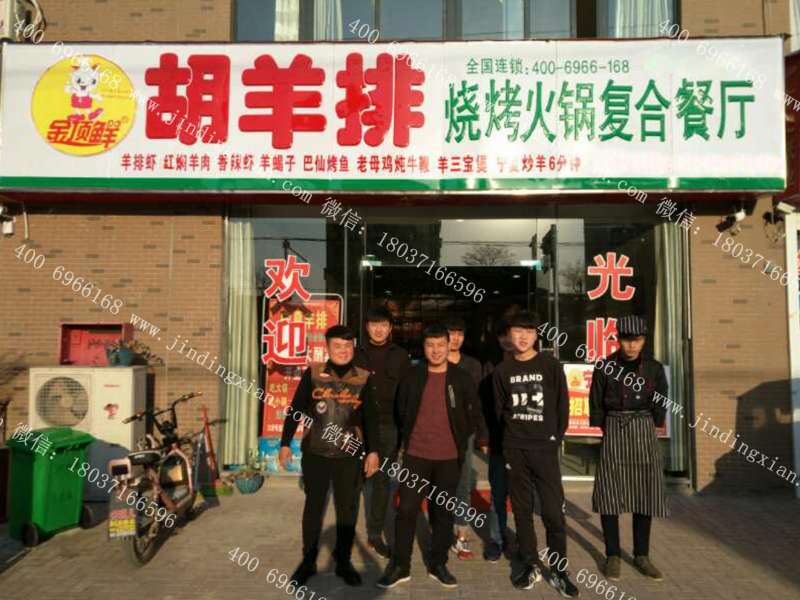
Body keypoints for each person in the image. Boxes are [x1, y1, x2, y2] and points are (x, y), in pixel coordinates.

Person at [376, 323, 489, 589]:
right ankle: (400, 565)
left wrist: (476, 438)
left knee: (443, 512)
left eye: (441, 345)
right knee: (406, 510)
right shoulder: (412, 377)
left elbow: (474, 411)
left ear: (449, 345)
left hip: (449, 457)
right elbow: (400, 411)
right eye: (430, 345)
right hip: (416, 455)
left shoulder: (461, 378)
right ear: (424, 347)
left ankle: (438, 563)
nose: (436, 350)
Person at [279, 325, 380, 587]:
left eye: (348, 346)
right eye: (337, 346)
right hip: (316, 452)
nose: (343, 350)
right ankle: (308, 561)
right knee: (313, 507)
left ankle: (343, 562)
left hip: (350, 453)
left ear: (353, 347)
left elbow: (371, 418)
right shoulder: (313, 374)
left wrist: (373, 452)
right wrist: (285, 443)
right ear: (328, 347)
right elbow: (295, 409)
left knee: (347, 509)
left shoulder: (364, 378)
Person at [493, 311, 578, 596]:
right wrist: (508, 444)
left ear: (536, 335)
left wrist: (554, 438)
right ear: (509, 335)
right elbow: (499, 412)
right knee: (522, 511)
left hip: (545, 448)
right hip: (515, 449)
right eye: (517, 331)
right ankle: (529, 564)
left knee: (553, 512)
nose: (523, 336)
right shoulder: (502, 371)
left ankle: (559, 570)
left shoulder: (550, 365)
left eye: (529, 331)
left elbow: (562, 406)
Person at [589, 315, 669, 582]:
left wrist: (653, 422)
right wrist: (606, 427)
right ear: (618, 339)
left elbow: (661, 399)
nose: (632, 345)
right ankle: (612, 554)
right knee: (609, 494)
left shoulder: (654, 368)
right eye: (626, 339)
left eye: (637, 340)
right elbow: (596, 400)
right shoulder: (605, 366)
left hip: (644, 427)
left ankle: (641, 555)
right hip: (614, 427)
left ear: (644, 340)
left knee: (645, 493)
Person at [354, 305, 411, 559]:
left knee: (381, 481)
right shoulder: (355, 354)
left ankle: (375, 534)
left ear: (390, 328)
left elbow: (408, 393)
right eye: (374, 324)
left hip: (389, 425)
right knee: (352, 478)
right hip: (357, 425)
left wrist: (406, 431)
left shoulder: (401, 356)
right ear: (367, 327)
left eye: (384, 325)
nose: (379, 329)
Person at [442, 317, 483, 561]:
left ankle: (461, 533)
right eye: (451, 333)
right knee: (440, 480)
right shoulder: (435, 361)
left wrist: (480, 433)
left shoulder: (473, 365)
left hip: (464, 432)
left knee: (463, 481)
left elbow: (477, 401)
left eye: (460, 333)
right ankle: (440, 530)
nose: (455, 338)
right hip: (437, 430)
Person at [480, 318, 515, 562]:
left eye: (511, 334)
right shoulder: (490, 368)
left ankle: (522, 542)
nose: (507, 340)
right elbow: (483, 405)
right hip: (499, 441)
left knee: (523, 498)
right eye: (503, 335)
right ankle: (496, 539)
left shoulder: (535, 365)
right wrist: (485, 436)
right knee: (498, 495)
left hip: (526, 443)